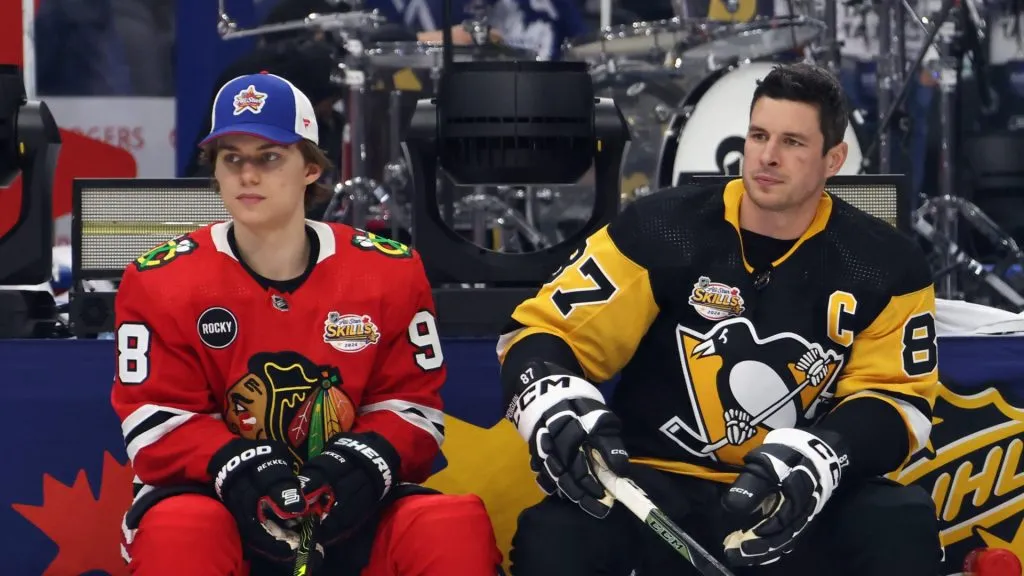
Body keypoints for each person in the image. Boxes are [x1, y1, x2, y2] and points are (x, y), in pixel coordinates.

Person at [497, 62, 942, 575]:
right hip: (657, 483)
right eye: (758, 135)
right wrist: (551, 401)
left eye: (794, 142)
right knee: (557, 534)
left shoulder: (886, 263)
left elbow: (900, 402)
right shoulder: (662, 228)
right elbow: (542, 331)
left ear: (833, 159)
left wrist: (828, 454)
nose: (768, 156)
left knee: (897, 521)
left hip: (796, 498)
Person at [113, 71, 503, 576]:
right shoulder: (160, 279)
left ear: (311, 170)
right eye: (232, 158)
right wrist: (240, 467)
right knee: (181, 529)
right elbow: (154, 421)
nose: (247, 175)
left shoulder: (390, 270)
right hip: (217, 503)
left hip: (349, 507)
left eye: (269, 157)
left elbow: (413, 409)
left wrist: (362, 461)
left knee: (449, 520)